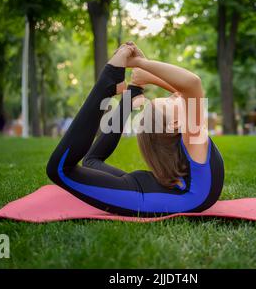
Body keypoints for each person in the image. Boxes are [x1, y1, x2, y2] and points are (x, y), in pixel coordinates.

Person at [46, 42, 225, 217]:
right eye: (169, 101)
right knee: (73, 167)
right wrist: (143, 68)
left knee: (76, 165)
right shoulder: (193, 138)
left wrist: (143, 69)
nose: (174, 95)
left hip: (146, 194)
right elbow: (189, 86)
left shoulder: (190, 138)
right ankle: (118, 87)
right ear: (175, 124)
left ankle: (118, 88)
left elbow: (186, 87)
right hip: (151, 192)